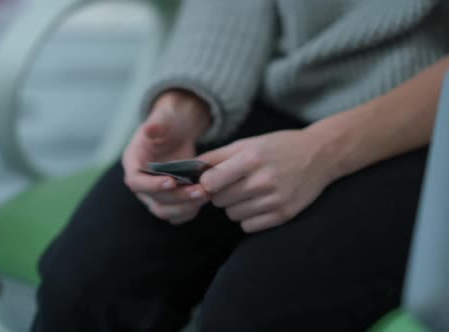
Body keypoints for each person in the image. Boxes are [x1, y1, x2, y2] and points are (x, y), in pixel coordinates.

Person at [32, 0, 449, 331]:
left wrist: (322, 151)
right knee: (85, 282)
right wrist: (181, 107)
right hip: (287, 94)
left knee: (257, 309)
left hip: (432, 131)